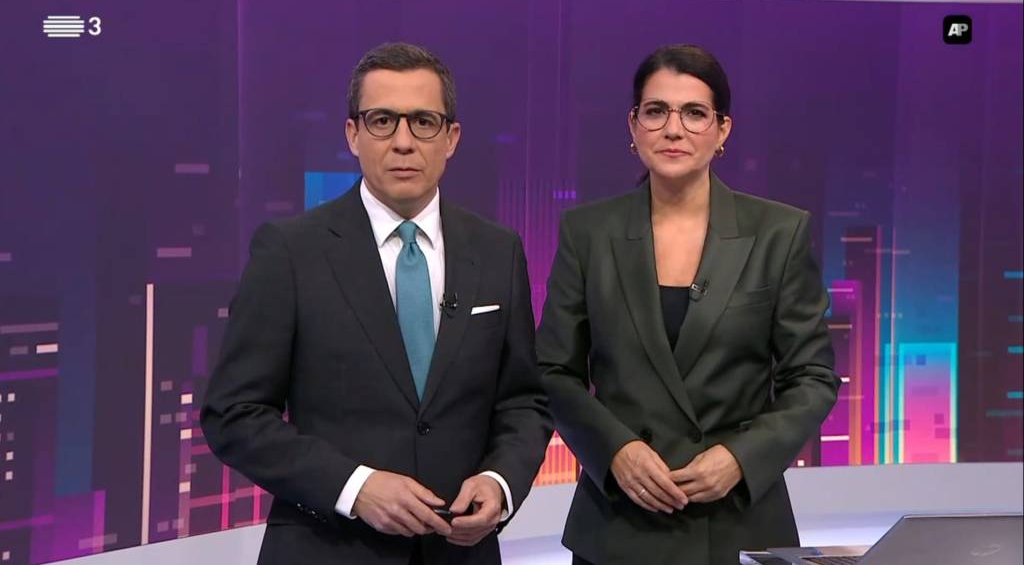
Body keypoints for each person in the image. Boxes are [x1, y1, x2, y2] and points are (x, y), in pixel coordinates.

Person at [200, 42, 553, 565]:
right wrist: (354, 486)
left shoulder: (498, 251)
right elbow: (233, 414)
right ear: (353, 134)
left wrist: (500, 483)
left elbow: (523, 401)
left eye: (424, 122)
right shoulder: (291, 251)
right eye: (383, 121)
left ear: (452, 138)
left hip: (460, 554)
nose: (403, 142)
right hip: (328, 549)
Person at [536, 44, 840, 565]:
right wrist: (615, 450)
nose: (673, 130)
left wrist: (739, 459)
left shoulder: (778, 232)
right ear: (633, 126)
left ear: (722, 130)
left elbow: (812, 377)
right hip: (619, 525)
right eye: (656, 111)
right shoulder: (588, 233)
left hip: (736, 523)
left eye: (694, 113)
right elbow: (553, 370)